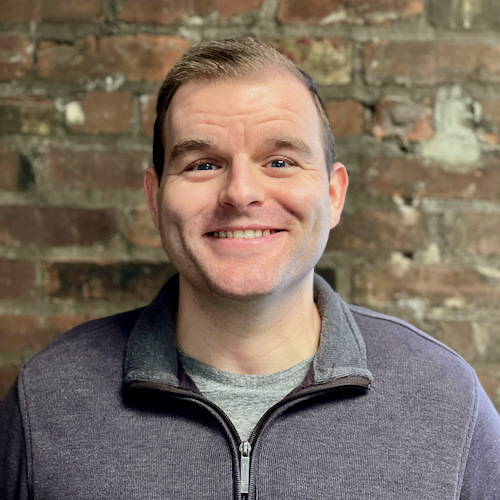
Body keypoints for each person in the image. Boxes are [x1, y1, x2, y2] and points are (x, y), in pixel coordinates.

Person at [1, 37, 499, 499]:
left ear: (333, 194)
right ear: (155, 198)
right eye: (202, 164)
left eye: (280, 161)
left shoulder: (446, 399)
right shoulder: (46, 398)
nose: (240, 194)